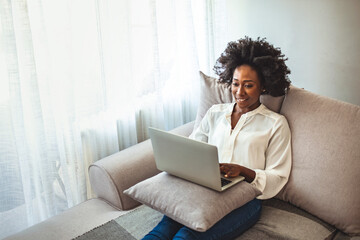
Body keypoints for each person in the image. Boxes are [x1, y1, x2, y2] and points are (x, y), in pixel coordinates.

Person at [142, 37, 292, 240]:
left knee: (187, 237)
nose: (239, 92)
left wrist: (242, 171)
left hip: (245, 199)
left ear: (263, 87)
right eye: (235, 83)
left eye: (248, 85)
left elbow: (278, 177)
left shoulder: (275, 123)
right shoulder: (215, 113)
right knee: (159, 234)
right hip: (203, 189)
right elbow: (193, 147)